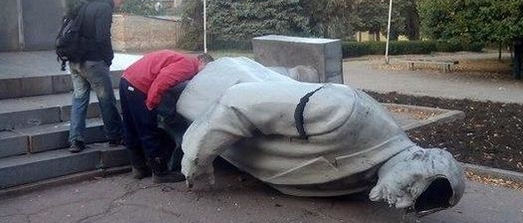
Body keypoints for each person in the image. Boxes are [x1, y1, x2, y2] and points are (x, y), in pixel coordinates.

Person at [177, 57, 464, 216]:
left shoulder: (374, 172)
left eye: (412, 204)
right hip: (203, 93)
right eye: (413, 188)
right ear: (417, 156)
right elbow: (240, 100)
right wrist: (198, 154)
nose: (401, 203)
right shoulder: (346, 112)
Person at [119, 50, 213, 183]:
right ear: (202, 61)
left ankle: (139, 168)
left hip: (127, 80)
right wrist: (151, 103)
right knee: (148, 130)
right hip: (139, 85)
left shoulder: (182, 59)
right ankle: (160, 173)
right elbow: (162, 81)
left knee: (131, 127)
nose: (204, 74)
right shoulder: (188, 65)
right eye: (206, 69)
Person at [68, 0, 128, 153]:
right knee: (106, 99)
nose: (119, 5)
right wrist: (108, 58)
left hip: (75, 60)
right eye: (120, 1)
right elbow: (103, 37)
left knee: (79, 99)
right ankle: (115, 135)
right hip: (93, 61)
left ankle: (75, 140)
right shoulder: (104, 7)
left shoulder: (85, 4)